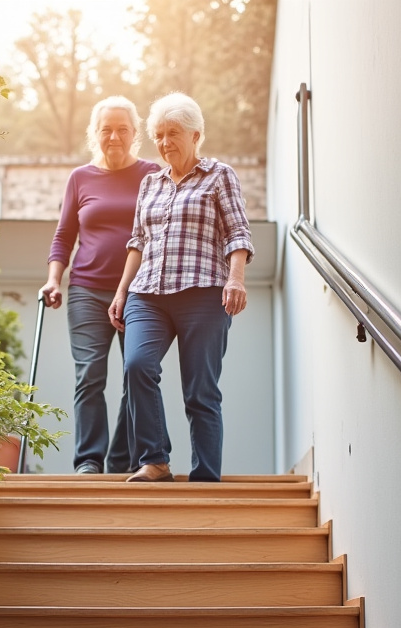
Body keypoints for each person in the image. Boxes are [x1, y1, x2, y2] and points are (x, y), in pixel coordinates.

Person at [108, 92, 253, 483]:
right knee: (137, 365)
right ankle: (155, 459)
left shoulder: (219, 175)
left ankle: (206, 477)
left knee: (199, 389)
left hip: (204, 292)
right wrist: (122, 291)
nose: (165, 142)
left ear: (196, 135)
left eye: (174, 133)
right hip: (148, 294)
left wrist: (235, 278)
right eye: (158, 134)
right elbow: (137, 241)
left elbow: (237, 231)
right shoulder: (150, 184)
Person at [40, 96, 163, 474]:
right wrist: (53, 280)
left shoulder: (152, 174)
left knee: (136, 373)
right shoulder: (80, 178)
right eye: (106, 129)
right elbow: (64, 235)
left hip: (140, 293)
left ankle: (122, 459)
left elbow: (160, 231)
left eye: (122, 129)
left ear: (134, 133)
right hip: (87, 291)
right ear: (95, 133)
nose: (114, 136)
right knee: (90, 374)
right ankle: (89, 461)